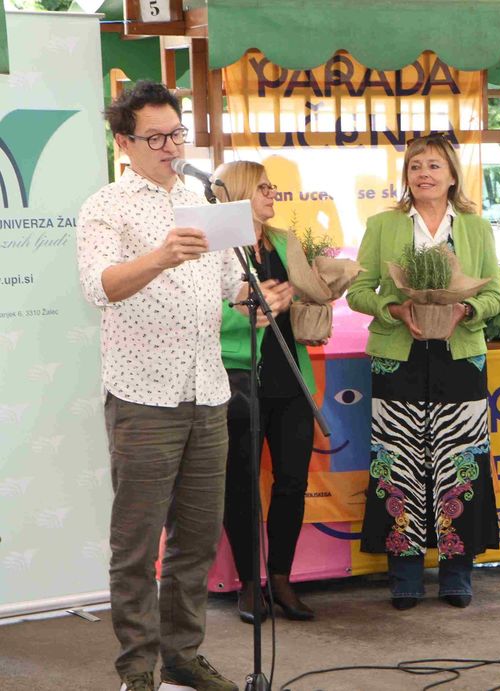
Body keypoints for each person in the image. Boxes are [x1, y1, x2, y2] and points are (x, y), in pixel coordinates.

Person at [76, 81, 289, 691]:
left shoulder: (203, 199)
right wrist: (162, 256)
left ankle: (182, 656)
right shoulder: (105, 206)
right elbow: (99, 287)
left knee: (195, 541)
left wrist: (257, 298)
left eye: (177, 133)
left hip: (210, 393)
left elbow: (226, 284)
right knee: (137, 544)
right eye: (156, 137)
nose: (172, 146)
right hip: (143, 397)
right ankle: (137, 669)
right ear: (124, 143)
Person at [347, 133, 500, 610]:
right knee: (398, 461)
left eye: (434, 165)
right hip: (398, 356)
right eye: (415, 166)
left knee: (461, 459)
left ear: (453, 175)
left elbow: (495, 295)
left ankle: (457, 572)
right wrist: (394, 309)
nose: (424, 174)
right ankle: (405, 573)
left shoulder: (475, 228)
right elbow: (358, 292)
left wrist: (465, 310)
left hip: (461, 357)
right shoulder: (383, 225)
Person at [213, 161, 320, 625]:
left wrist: (307, 299)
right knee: (240, 486)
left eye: (272, 186)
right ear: (239, 193)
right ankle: (248, 584)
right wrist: (250, 312)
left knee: (292, 482)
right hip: (239, 381)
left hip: (290, 379)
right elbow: (206, 311)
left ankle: (280, 578)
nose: (272, 192)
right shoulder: (218, 246)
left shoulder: (285, 241)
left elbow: (305, 295)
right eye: (262, 187)